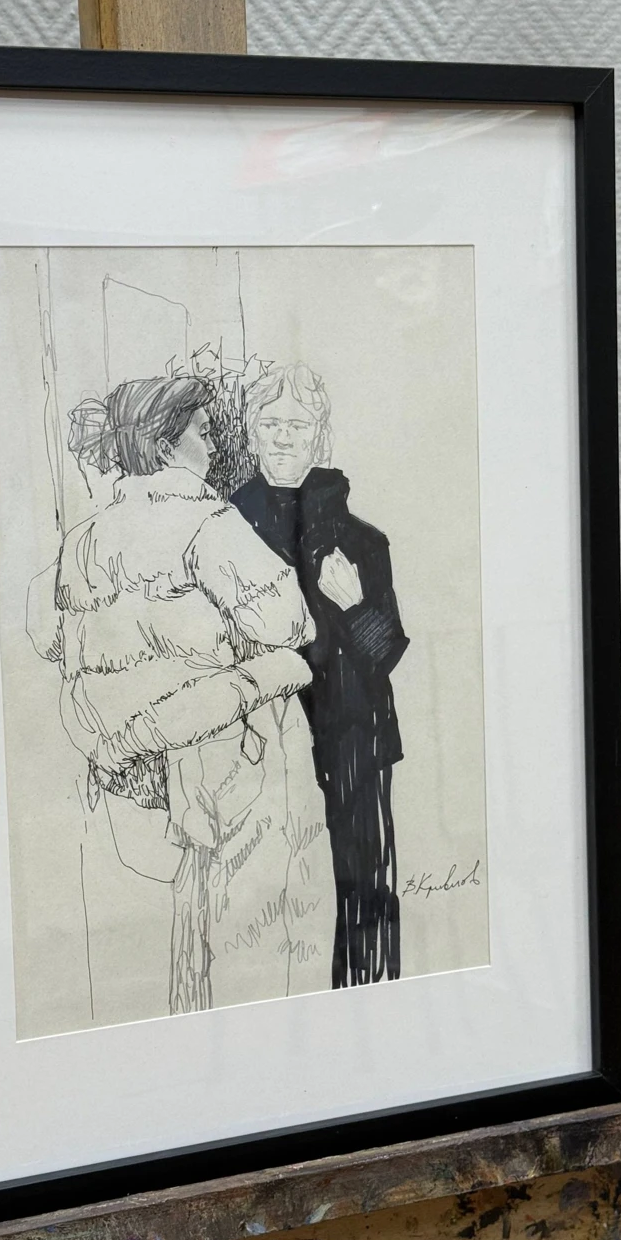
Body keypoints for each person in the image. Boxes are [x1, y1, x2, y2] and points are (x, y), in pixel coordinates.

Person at [27, 375, 334, 1015]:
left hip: (138, 776)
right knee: (260, 942)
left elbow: (55, 641)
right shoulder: (208, 523)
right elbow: (290, 623)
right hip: (230, 759)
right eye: (202, 431)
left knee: (183, 940)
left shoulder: (83, 539)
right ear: (167, 444)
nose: (214, 443)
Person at [231, 364, 409, 989]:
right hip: (260, 743)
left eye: (298, 424)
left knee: (364, 889)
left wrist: (354, 606)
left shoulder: (363, 541)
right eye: (270, 423)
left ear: (319, 435)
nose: (283, 436)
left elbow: (388, 652)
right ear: (251, 432)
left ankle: (372, 1000)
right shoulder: (227, 532)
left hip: (354, 740)